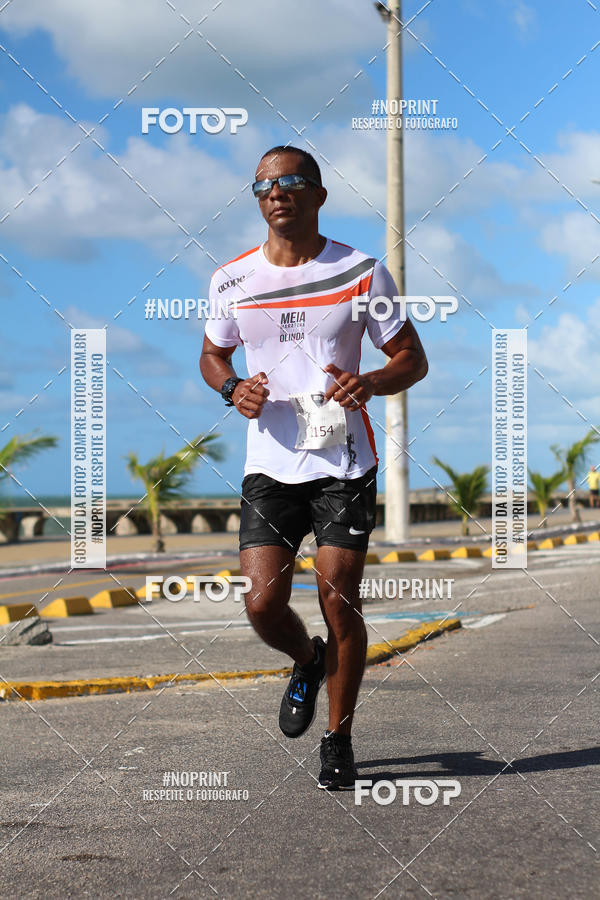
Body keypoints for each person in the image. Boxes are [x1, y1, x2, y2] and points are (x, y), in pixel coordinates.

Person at [200, 145, 428, 790]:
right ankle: (305, 659)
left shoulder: (361, 271)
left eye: (294, 182)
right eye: (266, 185)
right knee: (263, 603)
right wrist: (231, 389)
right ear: (258, 198)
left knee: (338, 597)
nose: (279, 193)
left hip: (343, 461)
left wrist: (374, 382)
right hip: (270, 461)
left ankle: (338, 738)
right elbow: (213, 354)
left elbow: (412, 356)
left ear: (319, 194)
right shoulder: (230, 280)